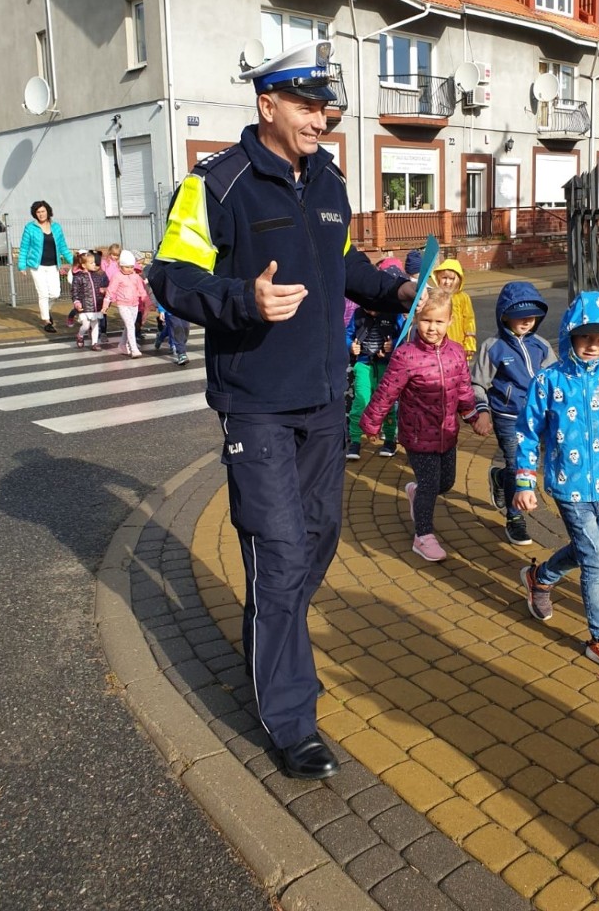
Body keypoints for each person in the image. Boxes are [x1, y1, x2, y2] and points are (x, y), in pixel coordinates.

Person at [147, 39, 419, 780]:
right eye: (306, 103)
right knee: (280, 553)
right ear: (266, 104)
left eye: (325, 106)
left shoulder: (329, 182)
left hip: (325, 401)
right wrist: (244, 300)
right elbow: (168, 276)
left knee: (317, 542)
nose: (321, 117)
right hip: (256, 406)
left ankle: (272, 646)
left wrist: (391, 289)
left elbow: (342, 266)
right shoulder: (216, 185)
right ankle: (290, 719)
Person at [513, 291, 599, 676]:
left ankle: (540, 578)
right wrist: (525, 481)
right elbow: (526, 433)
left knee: (584, 550)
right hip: (566, 485)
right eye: (585, 337)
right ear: (569, 334)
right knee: (596, 562)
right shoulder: (549, 381)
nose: (593, 346)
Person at [360, 287, 493, 562]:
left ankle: (416, 491)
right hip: (418, 435)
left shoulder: (456, 353)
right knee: (431, 485)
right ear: (416, 318)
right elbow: (387, 392)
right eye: (426, 320)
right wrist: (371, 423)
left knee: (446, 482)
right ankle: (423, 536)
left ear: (450, 322)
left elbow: (464, 390)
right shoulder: (406, 355)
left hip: (447, 432)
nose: (432, 328)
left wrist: (472, 415)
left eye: (439, 321)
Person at [471, 281, 556, 546]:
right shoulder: (492, 346)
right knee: (516, 464)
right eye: (520, 314)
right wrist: (482, 412)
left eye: (532, 315)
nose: (527, 320)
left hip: (538, 418)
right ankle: (514, 517)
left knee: (525, 465)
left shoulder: (542, 346)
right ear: (504, 314)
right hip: (507, 416)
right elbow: (477, 383)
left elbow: (554, 382)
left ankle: (499, 478)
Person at [345, 264, 404, 459]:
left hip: (386, 366)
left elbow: (403, 337)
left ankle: (389, 440)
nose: (371, 310)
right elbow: (347, 335)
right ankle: (354, 441)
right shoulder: (358, 315)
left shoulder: (393, 313)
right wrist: (350, 347)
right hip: (363, 363)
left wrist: (393, 345)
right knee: (361, 400)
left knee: (387, 404)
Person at [17, 200, 73, 333]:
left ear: (48, 211)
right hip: (37, 266)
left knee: (55, 293)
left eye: (43, 211)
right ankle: (46, 321)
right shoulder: (30, 228)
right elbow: (24, 248)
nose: (41, 214)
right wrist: (22, 265)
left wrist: (75, 262)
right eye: (38, 212)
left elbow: (63, 247)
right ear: (34, 214)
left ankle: (46, 310)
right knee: (43, 294)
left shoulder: (56, 227)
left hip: (53, 265)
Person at [100, 249, 149, 357]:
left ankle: (122, 344)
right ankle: (134, 348)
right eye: (127, 267)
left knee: (129, 326)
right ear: (120, 266)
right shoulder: (117, 277)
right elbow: (110, 291)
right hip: (123, 304)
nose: (130, 269)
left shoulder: (136, 277)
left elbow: (142, 291)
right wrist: (105, 305)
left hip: (134, 305)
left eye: (131, 267)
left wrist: (147, 303)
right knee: (131, 325)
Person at [432, 258, 477, 360]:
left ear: (458, 280)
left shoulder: (463, 297)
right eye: (444, 278)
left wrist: (469, 343)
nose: (447, 282)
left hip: (458, 346)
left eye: (451, 279)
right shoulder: (434, 296)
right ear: (438, 278)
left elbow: (469, 321)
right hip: (437, 346)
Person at [70, 250, 108, 350]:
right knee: (86, 326)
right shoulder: (78, 277)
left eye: (94, 262)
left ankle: (95, 343)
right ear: (83, 265)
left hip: (96, 306)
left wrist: (104, 290)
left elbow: (102, 286)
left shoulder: (97, 275)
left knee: (95, 325)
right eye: (91, 263)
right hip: (85, 306)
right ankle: (80, 335)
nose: (94, 264)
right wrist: (77, 302)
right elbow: (75, 291)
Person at [153, 301, 191, 365]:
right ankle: (181, 354)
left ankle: (160, 337)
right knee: (177, 331)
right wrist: (162, 310)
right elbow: (163, 295)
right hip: (171, 311)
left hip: (185, 311)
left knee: (185, 331)